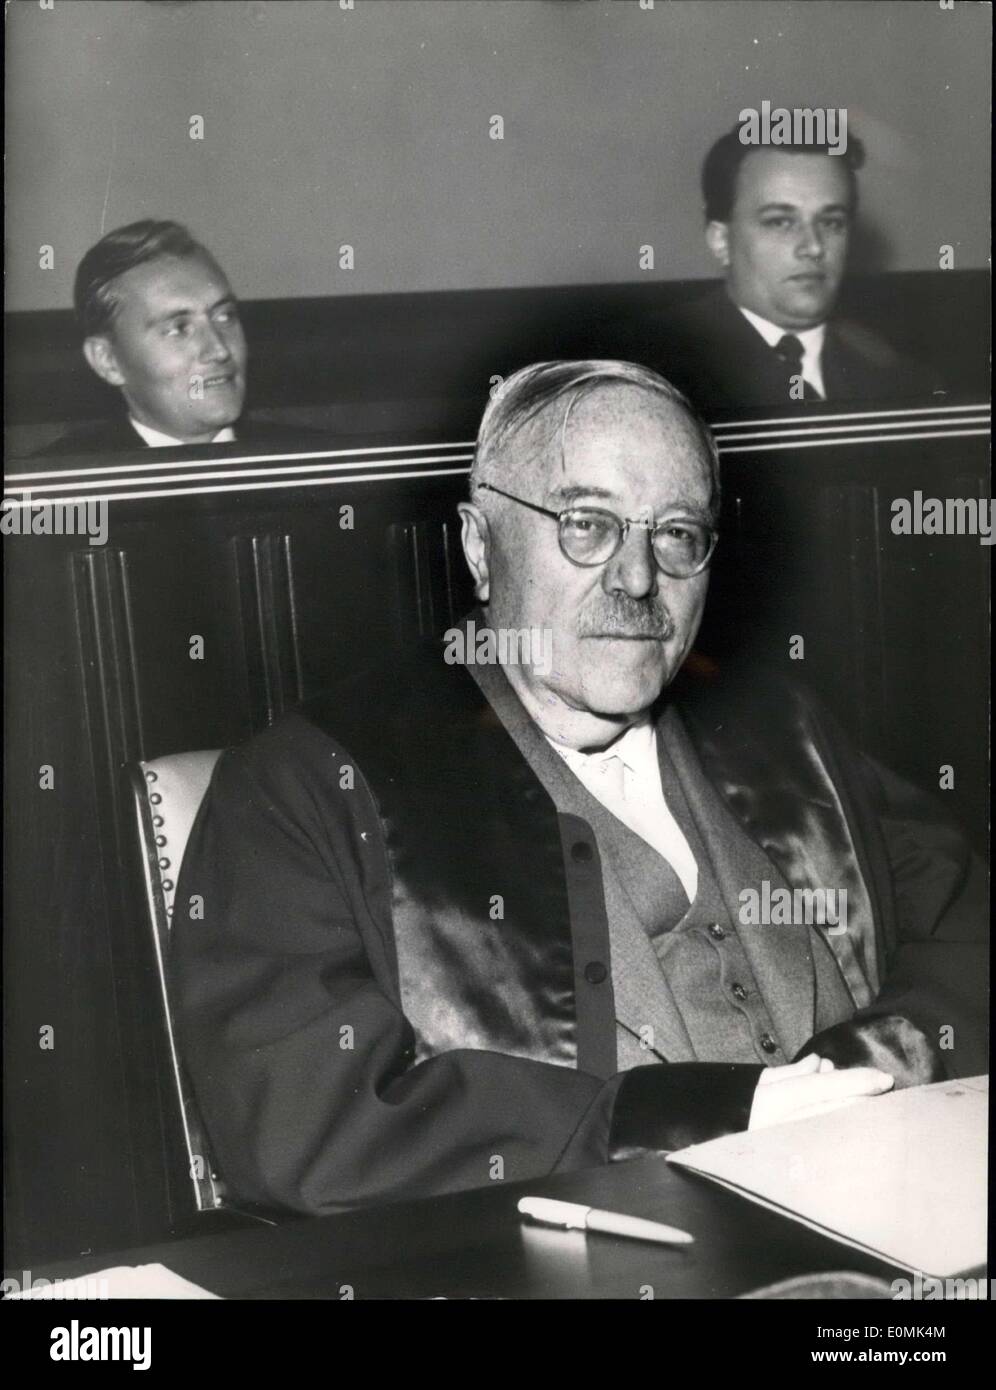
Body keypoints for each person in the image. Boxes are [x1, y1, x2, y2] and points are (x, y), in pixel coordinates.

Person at [171, 360, 985, 1215]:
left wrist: (886, 1055)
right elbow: (307, 1120)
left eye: (676, 533)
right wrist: (692, 1117)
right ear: (480, 547)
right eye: (586, 525)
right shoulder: (314, 785)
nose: (638, 579)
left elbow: (966, 924)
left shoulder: (783, 730)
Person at [619, 124, 938, 410]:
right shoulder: (648, 372)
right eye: (780, 222)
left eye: (831, 222)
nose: (813, 246)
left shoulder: (899, 375)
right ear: (721, 241)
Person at [43, 219, 315, 454]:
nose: (219, 350)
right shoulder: (49, 490)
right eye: (179, 329)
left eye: (225, 316)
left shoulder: (322, 463)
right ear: (108, 362)